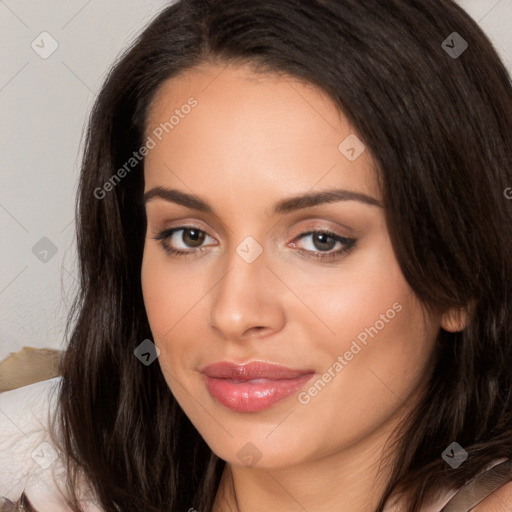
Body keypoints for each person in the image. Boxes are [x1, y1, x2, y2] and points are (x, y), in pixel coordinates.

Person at [3, 0, 512, 510]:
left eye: (321, 240)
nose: (234, 313)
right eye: (190, 236)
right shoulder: (32, 468)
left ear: (460, 277)